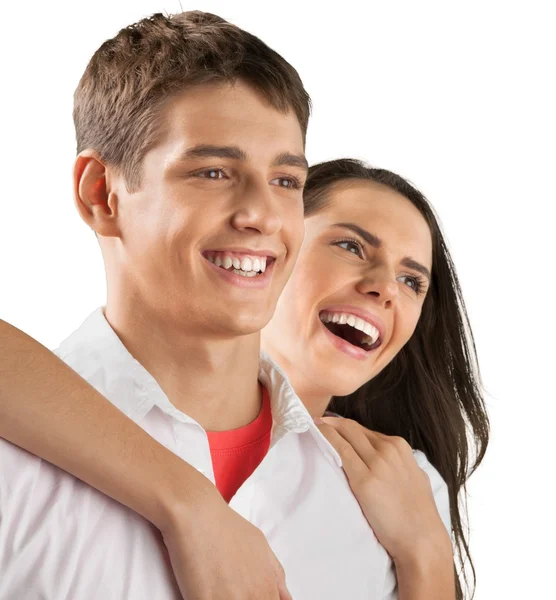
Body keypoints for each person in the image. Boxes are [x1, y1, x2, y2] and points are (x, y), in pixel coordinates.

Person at [0, 10, 488, 600]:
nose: (259, 214)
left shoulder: (401, 496)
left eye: (286, 181)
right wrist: (186, 504)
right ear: (102, 194)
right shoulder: (17, 462)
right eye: (212, 171)